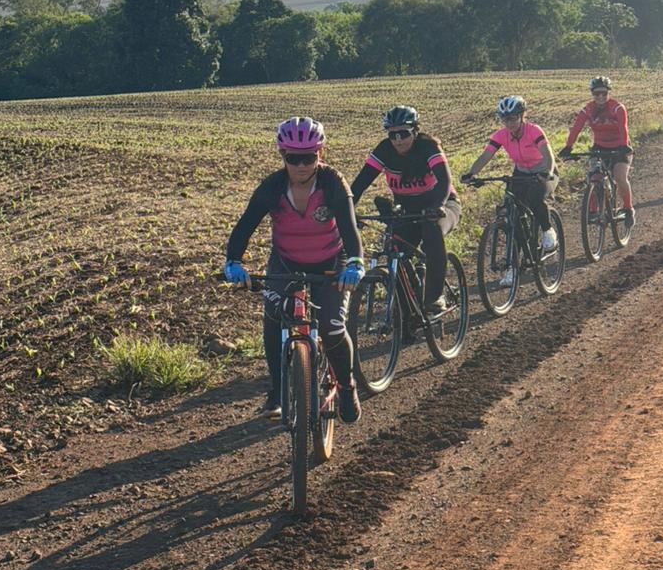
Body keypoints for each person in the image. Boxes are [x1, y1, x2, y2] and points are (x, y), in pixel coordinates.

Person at [223, 117, 364, 424]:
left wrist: (355, 262)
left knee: (330, 325)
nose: (302, 165)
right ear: (282, 155)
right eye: (293, 158)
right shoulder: (272, 187)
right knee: (274, 316)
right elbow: (245, 226)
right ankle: (276, 391)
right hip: (285, 262)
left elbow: (350, 229)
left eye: (309, 157)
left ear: (321, 154)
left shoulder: (332, 183)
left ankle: (346, 385)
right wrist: (233, 260)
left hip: (330, 262)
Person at [350, 105, 460, 314]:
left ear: (415, 131)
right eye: (393, 135)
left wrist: (437, 206)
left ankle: (435, 296)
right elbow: (360, 183)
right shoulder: (384, 150)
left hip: (443, 204)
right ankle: (408, 314)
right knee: (396, 251)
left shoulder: (428, 147)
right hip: (408, 209)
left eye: (404, 133)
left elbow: (445, 181)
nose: (398, 140)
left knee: (432, 231)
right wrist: (347, 209)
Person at [461, 96, 559, 276]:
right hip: (521, 174)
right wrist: (471, 173)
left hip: (543, 171)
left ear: (522, 116)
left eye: (513, 118)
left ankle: (547, 230)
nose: (509, 123)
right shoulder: (501, 135)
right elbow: (485, 156)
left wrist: (548, 172)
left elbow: (548, 155)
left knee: (535, 199)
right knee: (513, 216)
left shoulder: (533, 131)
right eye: (505, 119)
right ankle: (514, 266)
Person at [558, 76, 635, 227]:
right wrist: (568, 147)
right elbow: (576, 129)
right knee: (594, 176)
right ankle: (593, 210)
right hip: (599, 147)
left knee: (620, 177)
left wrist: (625, 146)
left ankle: (628, 208)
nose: (600, 97)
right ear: (592, 94)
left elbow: (623, 127)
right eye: (596, 94)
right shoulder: (587, 110)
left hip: (620, 146)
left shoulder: (617, 108)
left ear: (609, 93)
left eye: (604, 93)